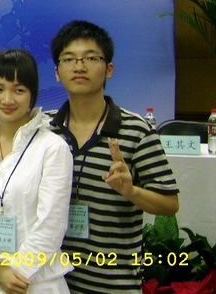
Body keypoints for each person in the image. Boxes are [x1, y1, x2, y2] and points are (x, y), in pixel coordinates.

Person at [47, 20, 179, 293]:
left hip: (112, 283)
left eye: (90, 58)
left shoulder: (136, 130)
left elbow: (169, 204)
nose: (79, 66)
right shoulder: (44, 130)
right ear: (57, 72)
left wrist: (131, 191)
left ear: (109, 69)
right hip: (51, 283)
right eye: (69, 59)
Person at [0, 49, 73, 294]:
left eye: (18, 90)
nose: (7, 99)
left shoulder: (52, 148)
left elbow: (51, 224)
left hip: (36, 282)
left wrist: (17, 274)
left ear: (32, 94)